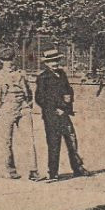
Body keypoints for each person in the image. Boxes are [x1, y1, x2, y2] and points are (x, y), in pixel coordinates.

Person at [34, 48, 88, 181]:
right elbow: (40, 98)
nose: (55, 64)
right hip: (51, 116)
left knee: (71, 140)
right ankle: (53, 172)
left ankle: (77, 168)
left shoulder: (62, 74)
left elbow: (68, 91)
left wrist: (67, 105)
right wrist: (55, 108)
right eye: (52, 61)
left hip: (64, 113)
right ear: (46, 63)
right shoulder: (43, 78)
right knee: (54, 143)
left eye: (57, 61)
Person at [0, 47, 40, 181]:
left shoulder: (22, 74)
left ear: (14, 59)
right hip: (6, 109)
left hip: (23, 108)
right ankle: (10, 170)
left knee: (29, 139)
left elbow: (29, 91)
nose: (8, 63)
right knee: (7, 142)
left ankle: (33, 171)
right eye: (5, 60)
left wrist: (28, 105)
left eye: (10, 59)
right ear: (1, 61)